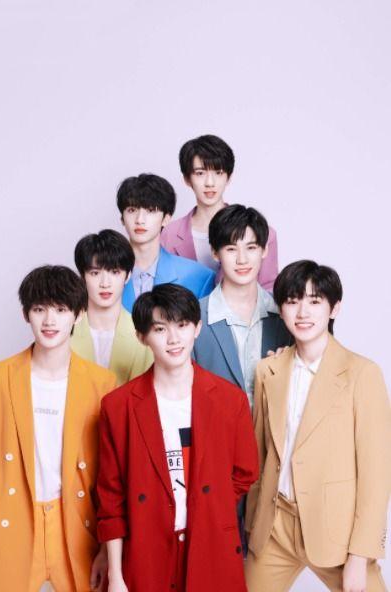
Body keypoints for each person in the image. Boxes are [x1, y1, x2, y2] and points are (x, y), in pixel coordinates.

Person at [0, 265, 116, 592]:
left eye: (60, 309)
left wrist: (106, 550)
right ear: (25, 314)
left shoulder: (101, 383)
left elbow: (109, 478)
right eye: (39, 309)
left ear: (78, 315)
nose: (49, 320)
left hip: (76, 524)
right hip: (14, 520)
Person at [97, 284, 259, 592]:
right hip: (147, 549)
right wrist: (116, 575)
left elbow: (245, 472)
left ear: (197, 328)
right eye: (160, 329)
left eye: (182, 325)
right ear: (142, 336)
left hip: (211, 544)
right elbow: (111, 497)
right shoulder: (118, 407)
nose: (173, 339)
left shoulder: (230, 401)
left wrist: (209, 505)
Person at [245, 260, 391, 592]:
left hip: (337, 532)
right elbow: (260, 454)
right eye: (292, 301)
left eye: (314, 301)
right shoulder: (268, 370)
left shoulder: (362, 374)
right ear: (281, 309)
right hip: (275, 527)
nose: (302, 312)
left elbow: (376, 476)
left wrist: (360, 555)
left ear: (334, 308)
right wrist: (254, 523)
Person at [193, 204, 292, 552]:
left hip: (274, 462)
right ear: (215, 253)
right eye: (231, 248)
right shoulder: (195, 319)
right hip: (213, 465)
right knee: (217, 560)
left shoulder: (287, 318)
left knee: (267, 561)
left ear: (264, 250)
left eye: (251, 247)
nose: (242, 259)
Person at [160, 134, 278, 290]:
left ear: (229, 177)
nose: (210, 183)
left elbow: (269, 290)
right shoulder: (169, 234)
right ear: (187, 179)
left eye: (218, 172)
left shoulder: (260, 232)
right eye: (200, 173)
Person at [117, 173, 215, 311]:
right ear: (122, 218)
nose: (140, 220)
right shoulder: (103, 276)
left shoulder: (199, 276)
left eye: (151, 210)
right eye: (132, 210)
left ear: (166, 219)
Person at [71, 229, 153, 385]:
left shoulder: (144, 333)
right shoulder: (65, 330)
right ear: (82, 276)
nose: (105, 283)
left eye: (114, 272)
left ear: (128, 276)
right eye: (95, 273)